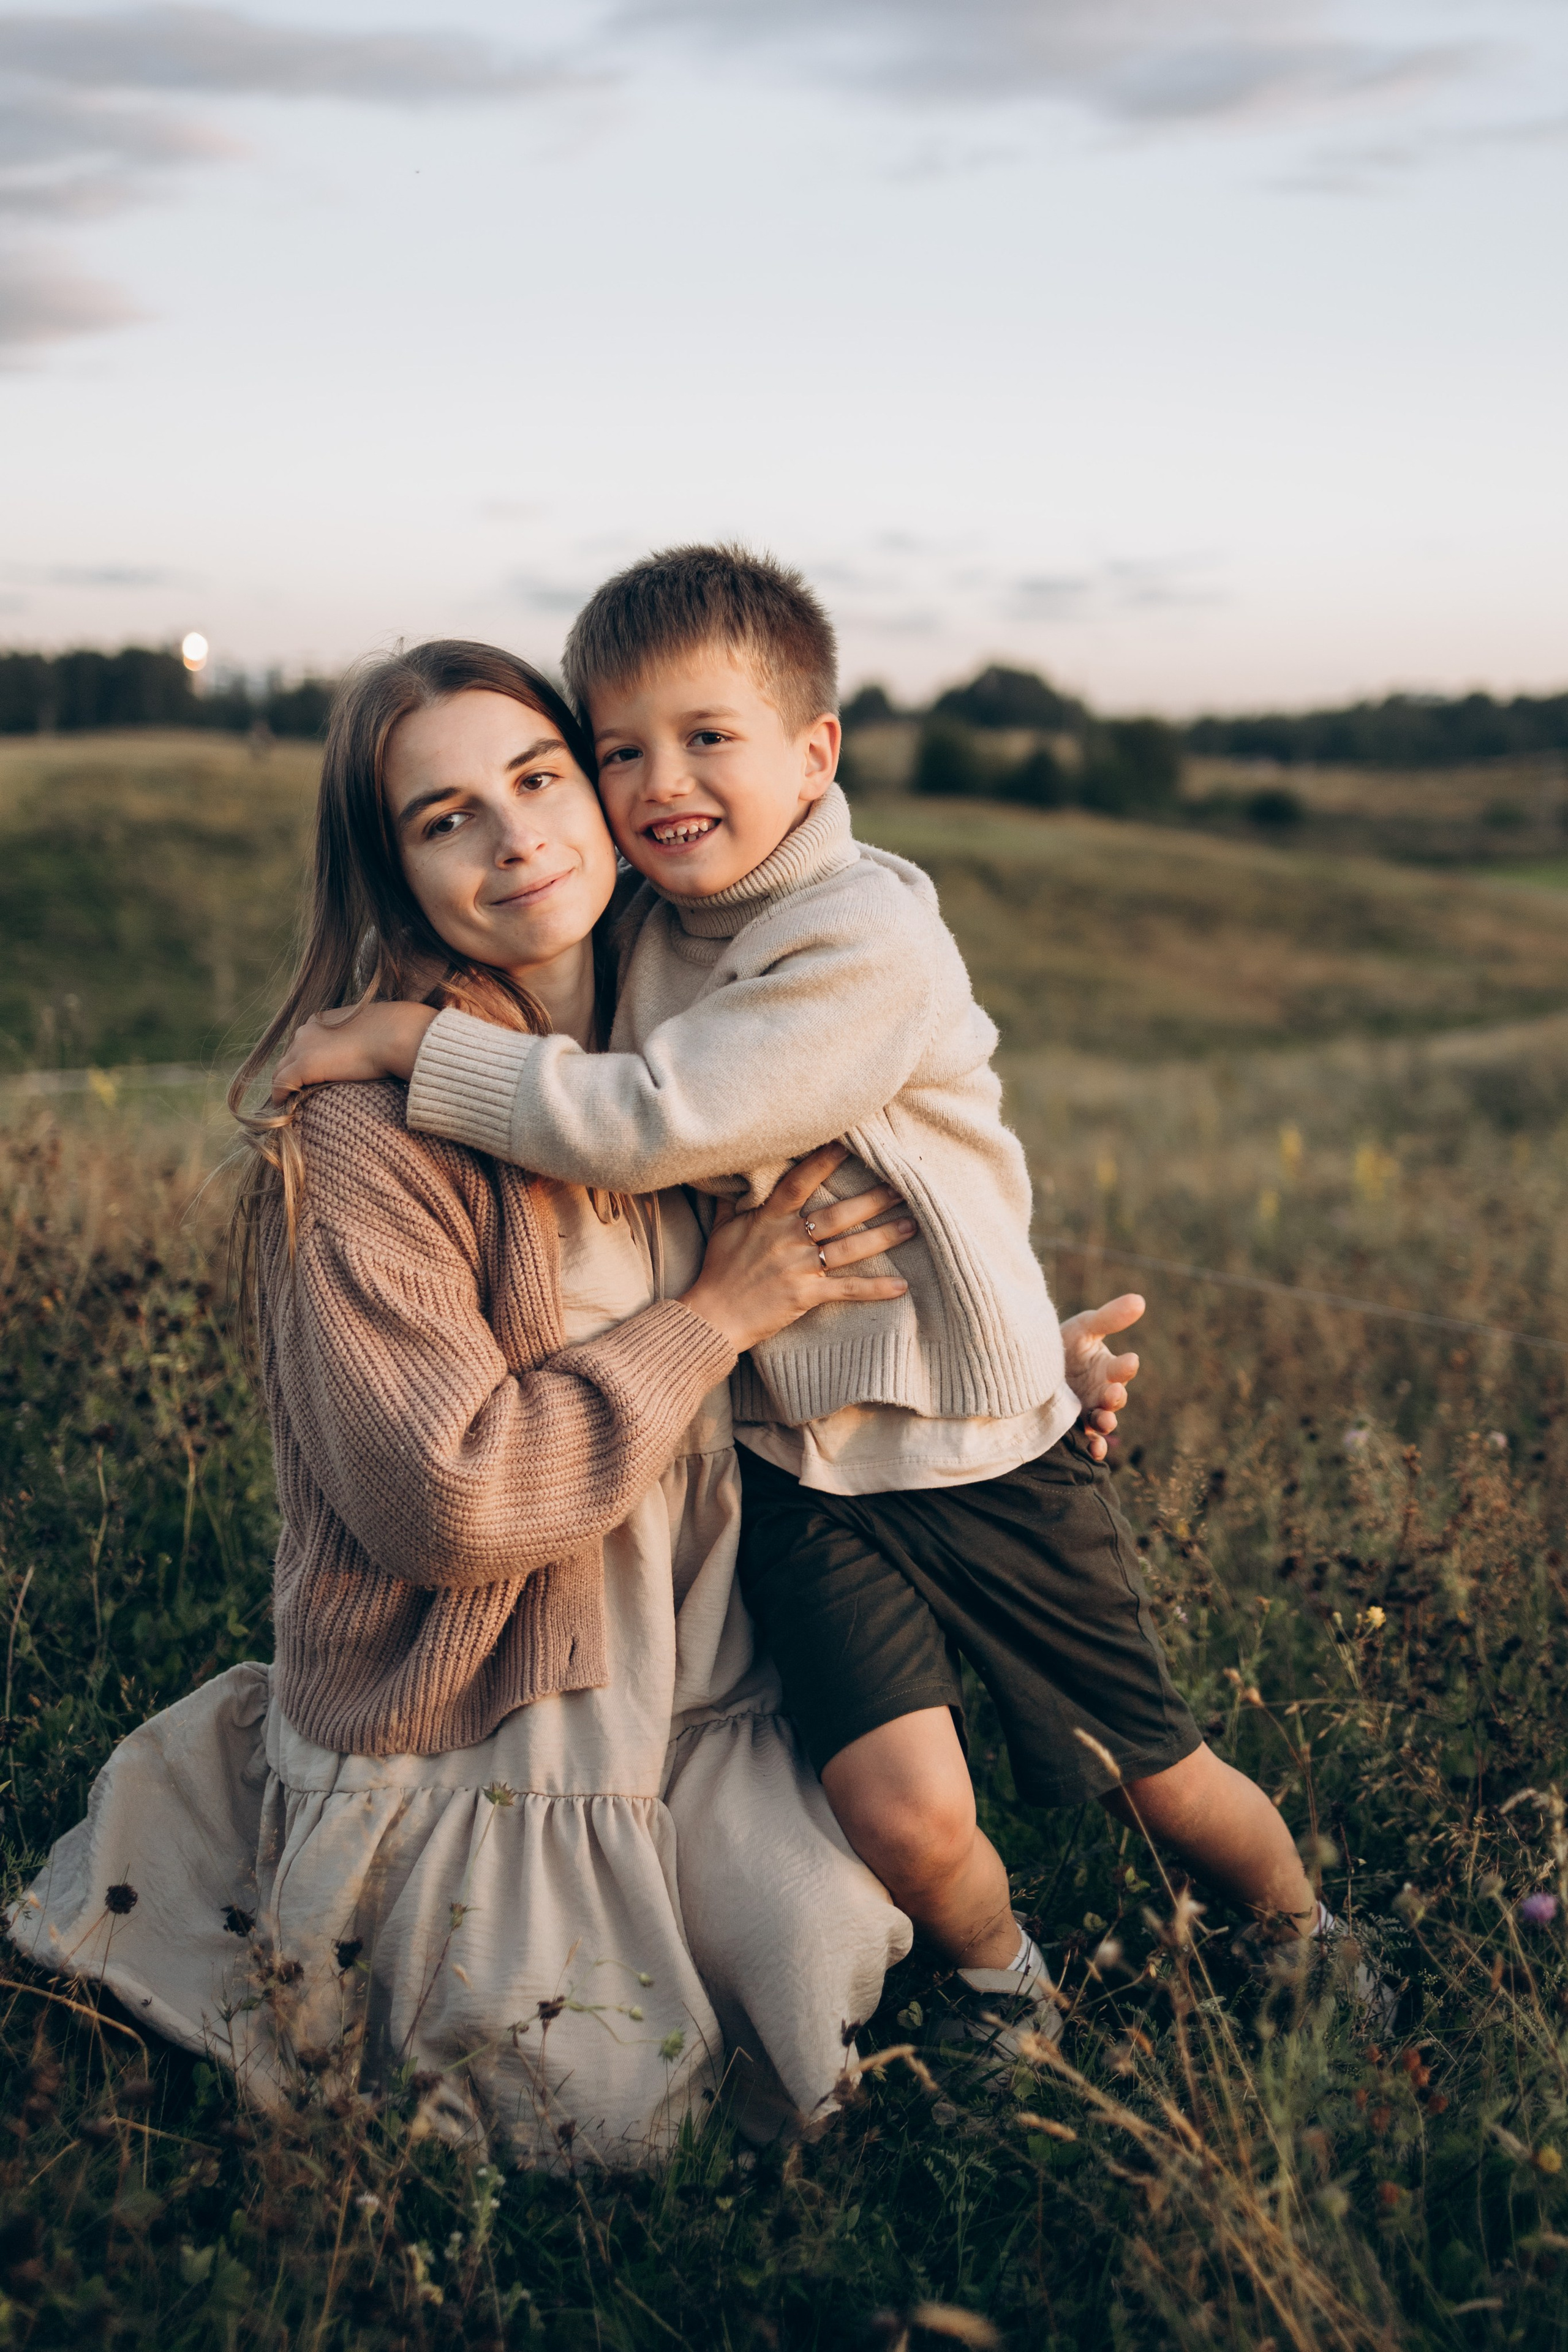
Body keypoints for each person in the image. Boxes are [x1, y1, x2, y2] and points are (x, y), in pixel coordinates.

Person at [276, 550, 1331, 2041]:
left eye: (705, 738)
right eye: (622, 750)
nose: (655, 785)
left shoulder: (859, 934)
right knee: (898, 1816)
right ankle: (1002, 1992)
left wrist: (410, 1045)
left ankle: (1301, 1935)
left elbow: (654, 1119)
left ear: (813, 749)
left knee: (1146, 1767)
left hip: (979, 1462)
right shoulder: (649, 931)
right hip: (794, 1483)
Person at [9, 640, 925, 2165]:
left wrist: (1023, 1378)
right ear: (394, 873)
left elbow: (835, 1284)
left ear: (597, 781)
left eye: (538, 777)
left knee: (819, 1963)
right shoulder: (370, 1133)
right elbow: (447, 1499)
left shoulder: (691, 1068)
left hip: (700, 1684)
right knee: (585, 2126)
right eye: (446, 819)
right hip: (500, 1718)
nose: (516, 840)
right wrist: (712, 1314)